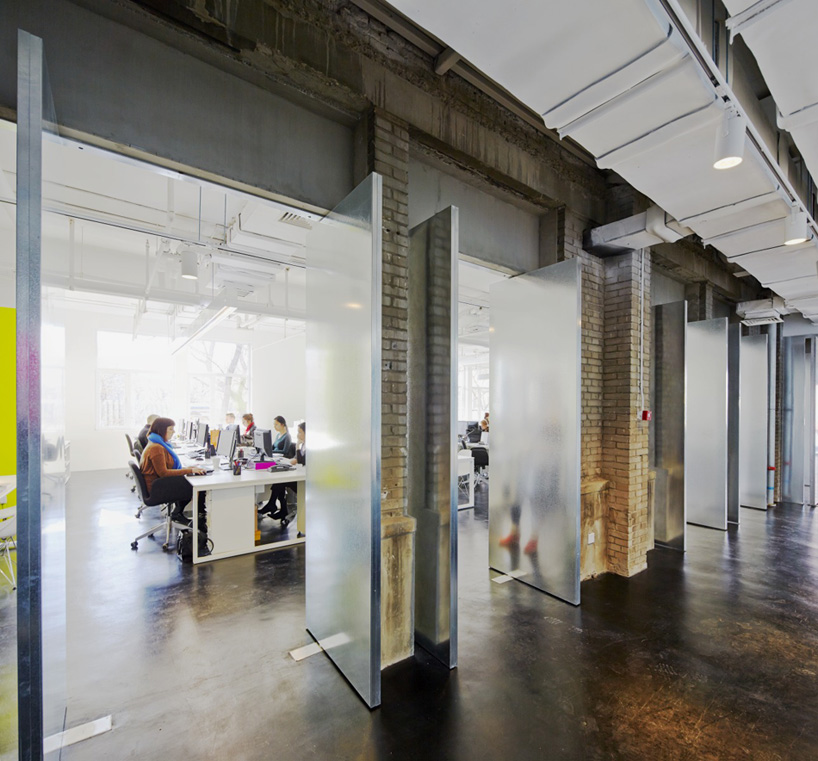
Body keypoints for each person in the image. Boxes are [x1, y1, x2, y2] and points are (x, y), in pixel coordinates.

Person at [140, 417, 205, 524]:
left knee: (192, 477)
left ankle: (178, 512)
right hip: (157, 488)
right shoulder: (157, 448)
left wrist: (189, 469)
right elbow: (164, 473)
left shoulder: (155, 441)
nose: (173, 431)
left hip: (157, 484)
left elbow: (166, 469)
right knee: (199, 484)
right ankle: (199, 520)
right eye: (170, 429)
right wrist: (190, 470)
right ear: (161, 430)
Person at [259, 422, 305, 520]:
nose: (297, 435)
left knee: (280, 481)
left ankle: (274, 505)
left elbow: (300, 461)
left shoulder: (309, 446)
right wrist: (288, 462)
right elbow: (296, 459)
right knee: (279, 481)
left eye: (300, 432)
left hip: (304, 482)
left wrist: (297, 446)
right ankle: (279, 508)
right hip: (299, 473)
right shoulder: (304, 445)